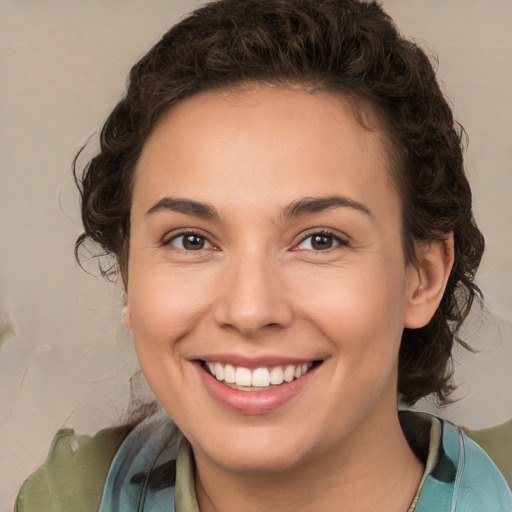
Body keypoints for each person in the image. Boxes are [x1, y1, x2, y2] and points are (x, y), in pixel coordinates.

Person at [15, 0, 512, 510]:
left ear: (424, 277)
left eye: (321, 240)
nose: (249, 310)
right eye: (191, 240)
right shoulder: (67, 498)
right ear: (128, 276)